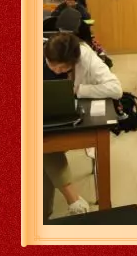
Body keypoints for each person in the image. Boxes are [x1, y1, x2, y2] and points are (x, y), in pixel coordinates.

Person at [43, 32, 123, 219]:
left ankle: (53, 208)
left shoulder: (84, 56)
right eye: (52, 65)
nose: (56, 70)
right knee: (39, 143)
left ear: (74, 61)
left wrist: (79, 90)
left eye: (63, 67)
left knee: (42, 144)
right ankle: (67, 203)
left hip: (71, 116)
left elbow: (116, 89)